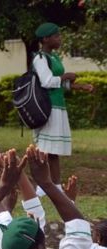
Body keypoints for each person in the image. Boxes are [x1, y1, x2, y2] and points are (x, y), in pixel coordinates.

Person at [33, 23, 94, 193]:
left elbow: (57, 84)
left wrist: (79, 86)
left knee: (54, 150)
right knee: (45, 150)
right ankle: (42, 187)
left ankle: (56, 186)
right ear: (45, 39)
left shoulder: (54, 58)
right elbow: (47, 82)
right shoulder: (40, 58)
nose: (59, 38)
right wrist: (66, 76)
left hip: (58, 106)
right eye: (56, 36)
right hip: (47, 107)